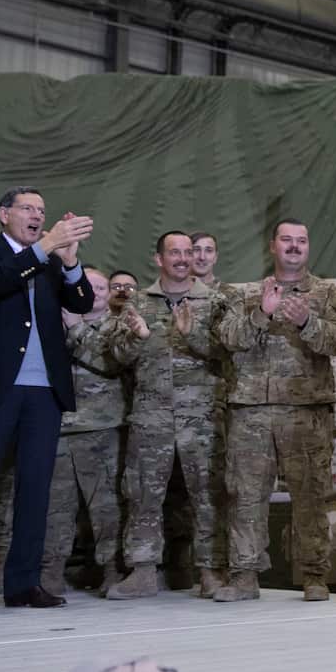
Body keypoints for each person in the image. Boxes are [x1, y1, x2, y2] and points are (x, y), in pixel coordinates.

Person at [0, 187, 94, 615]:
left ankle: (23, 584)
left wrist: (68, 260)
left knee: (35, 489)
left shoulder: (49, 259)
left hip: (43, 391)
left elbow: (82, 300)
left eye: (42, 211)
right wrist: (47, 245)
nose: (37, 215)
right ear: (3, 214)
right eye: (28, 208)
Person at [212, 219, 336, 602]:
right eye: (287, 240)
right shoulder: (241, 295)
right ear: (272, 246)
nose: (294, 246)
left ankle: (313, 576)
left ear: (309, 248)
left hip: (305, 412)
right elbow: (228, 339)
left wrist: (306, 321)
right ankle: (244, 577)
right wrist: (262, 311)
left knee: (310, 497)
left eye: (301, 241)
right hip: (250, 411)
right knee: (245, 496)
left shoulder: (328, 295)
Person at [105, 231, 226, 600]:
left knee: (208, 495)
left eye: (188, 252)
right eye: (174, 252)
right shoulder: (136, 302)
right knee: (143, 493)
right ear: (158, 259)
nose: (183, 258)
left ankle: (209, 572)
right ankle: (142, 572)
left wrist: (192, 337)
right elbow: (116, 357)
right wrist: (137, 337)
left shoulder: (215, 302)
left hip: (201, 417)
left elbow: (227, 352)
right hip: (151, 416)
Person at [41, 267, 125, 595]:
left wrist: (76, 329)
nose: (95, 291)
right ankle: (51, 570)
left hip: (104, 428)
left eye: (101, 287)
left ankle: (112, 570)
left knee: (108, 508)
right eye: (87, 286)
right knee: (55, 507)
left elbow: (112, 363)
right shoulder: (51, 325)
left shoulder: (118, 327)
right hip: (59, 428)